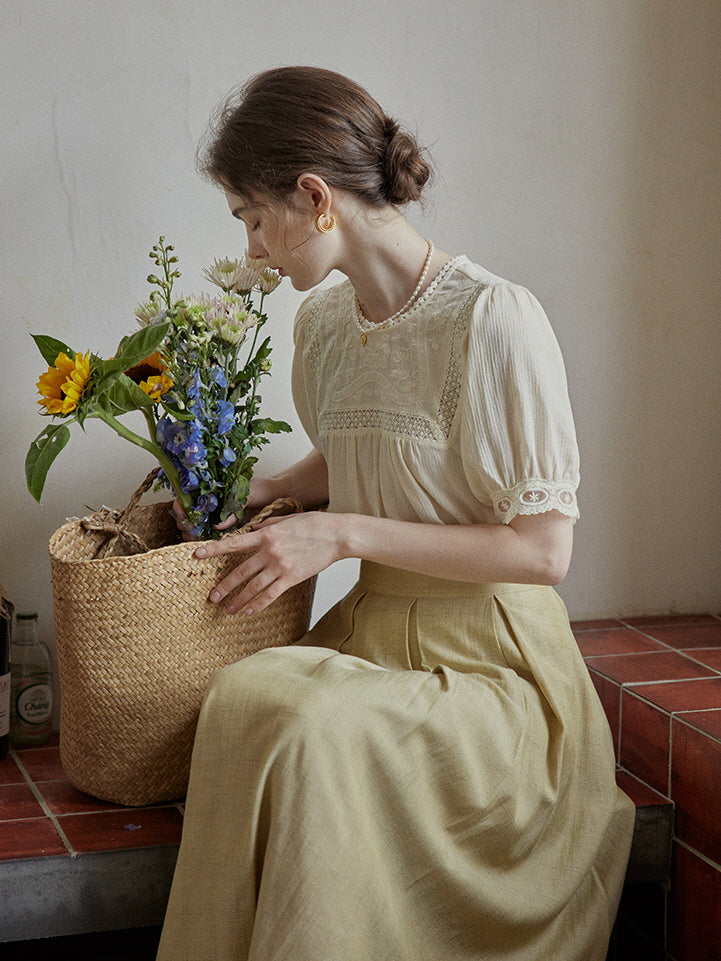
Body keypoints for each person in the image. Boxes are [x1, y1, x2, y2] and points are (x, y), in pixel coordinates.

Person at [156, 65, 634, 961]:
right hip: (370, 638)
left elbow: (541, 553)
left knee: (309, 733)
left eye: (251, 218)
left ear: (313, 196)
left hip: (494, 671)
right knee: (241, 698)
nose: (253, 248)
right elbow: (351, 461)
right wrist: (252, 488)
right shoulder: (326, 326)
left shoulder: (494, 320)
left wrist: (336, 534)